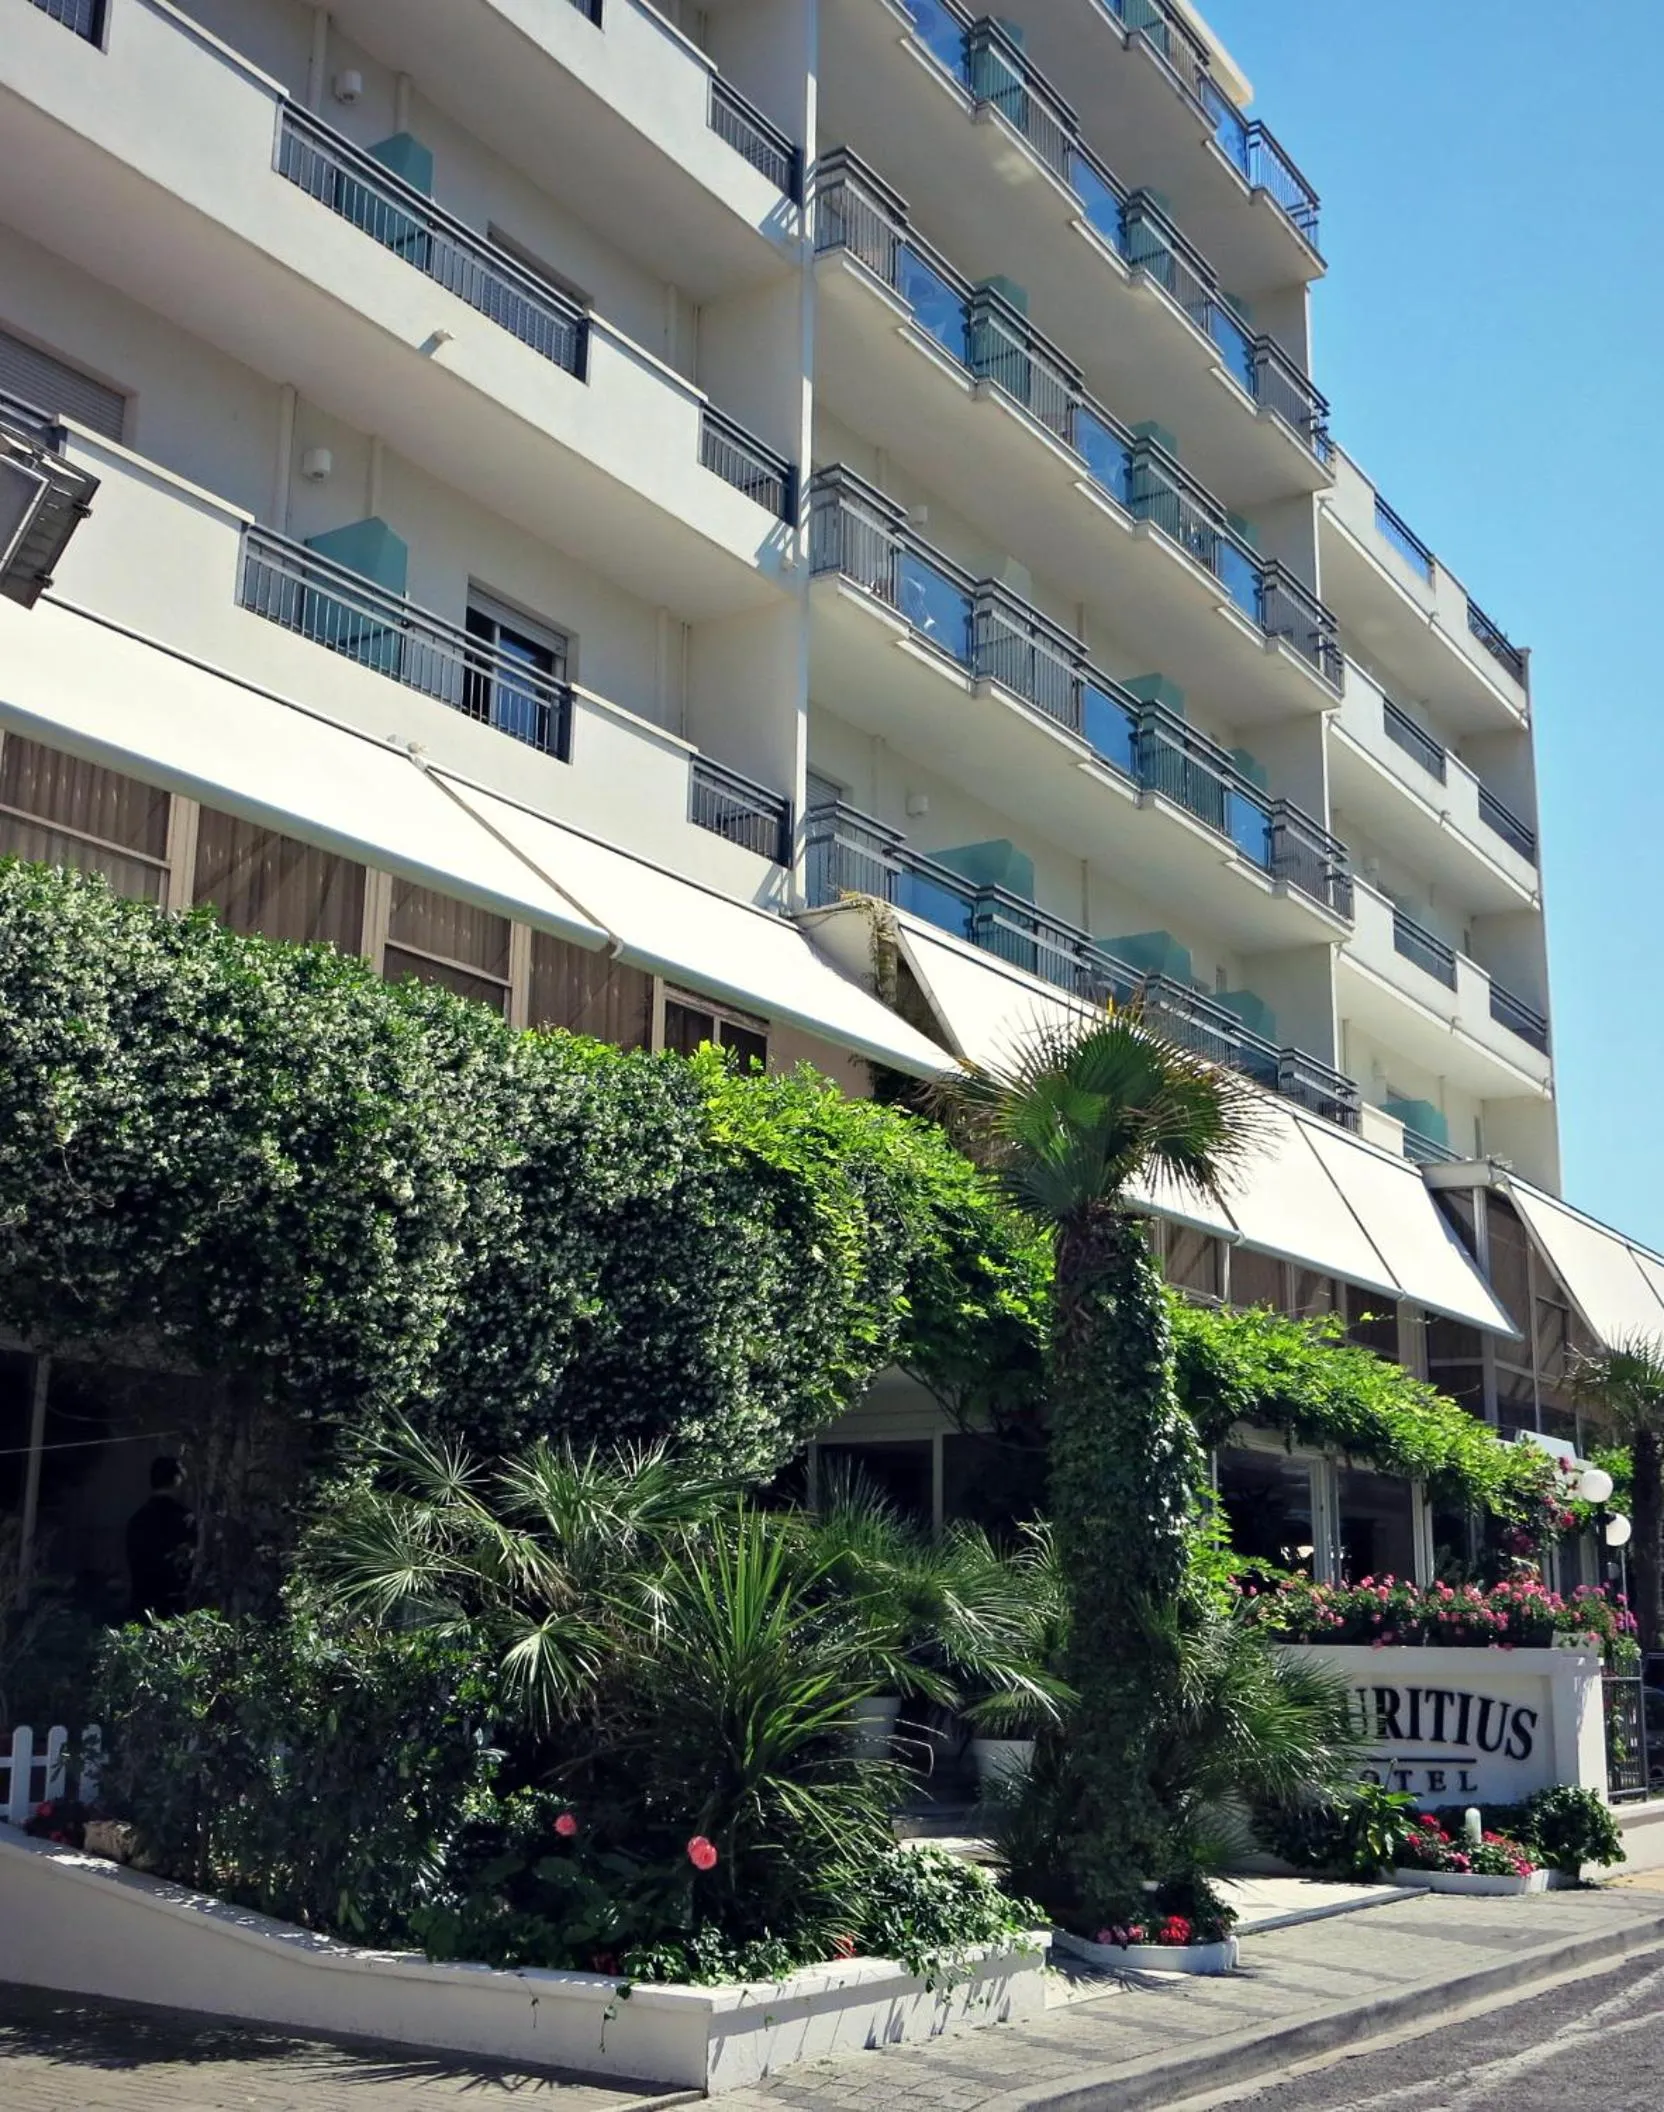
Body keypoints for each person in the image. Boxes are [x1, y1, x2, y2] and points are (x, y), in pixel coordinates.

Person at [125, 1456, 193, 1619]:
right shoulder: (183, 1518)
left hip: (141, 1603)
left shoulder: (137, 1519)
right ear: (177, 1480)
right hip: (172, 1605)